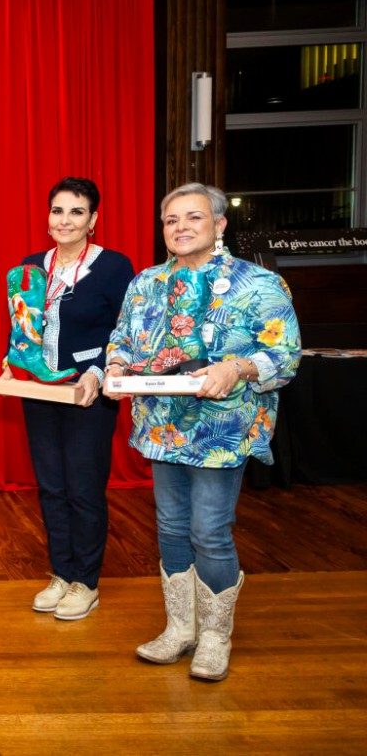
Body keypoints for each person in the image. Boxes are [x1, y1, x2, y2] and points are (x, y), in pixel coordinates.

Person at [104, 182, 300, 681]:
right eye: (171, 220)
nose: (180, 228)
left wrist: (236, 368)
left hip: (223, 430)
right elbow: (122, 337)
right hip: (162, 425)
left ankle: (215, 636)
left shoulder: (259, 284)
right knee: (170, 527)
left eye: (193, 217)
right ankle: (180, 628)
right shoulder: (146, 282)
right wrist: (116, 367)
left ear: (219, 224)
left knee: (209, 531)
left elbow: (285, 356)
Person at [6, 178, 135, 621]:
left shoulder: (113, 267)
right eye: (57, 210)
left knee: (83, 487)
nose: (65, 220)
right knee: (51, 486)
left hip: (87, 391)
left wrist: (99, 372)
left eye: (76, 212)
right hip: (40, 389)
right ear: (47, 217)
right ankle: (61, 572)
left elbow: (125, 330)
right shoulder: (31, 266)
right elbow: (22, 328)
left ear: (93, 219)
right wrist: (13, 361)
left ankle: (86, 581)